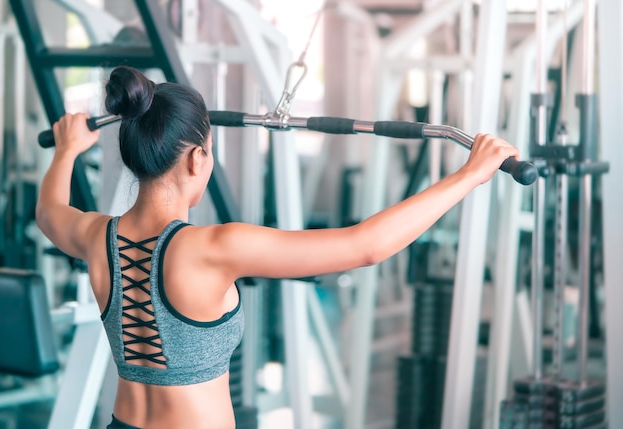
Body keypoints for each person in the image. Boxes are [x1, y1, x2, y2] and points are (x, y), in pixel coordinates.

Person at [36, 65, 519, 429]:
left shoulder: (95, 236)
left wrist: (66, 152)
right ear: (198, 158)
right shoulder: (215, 247)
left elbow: (48, 211)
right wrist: (469, 175)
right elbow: (367, 245)